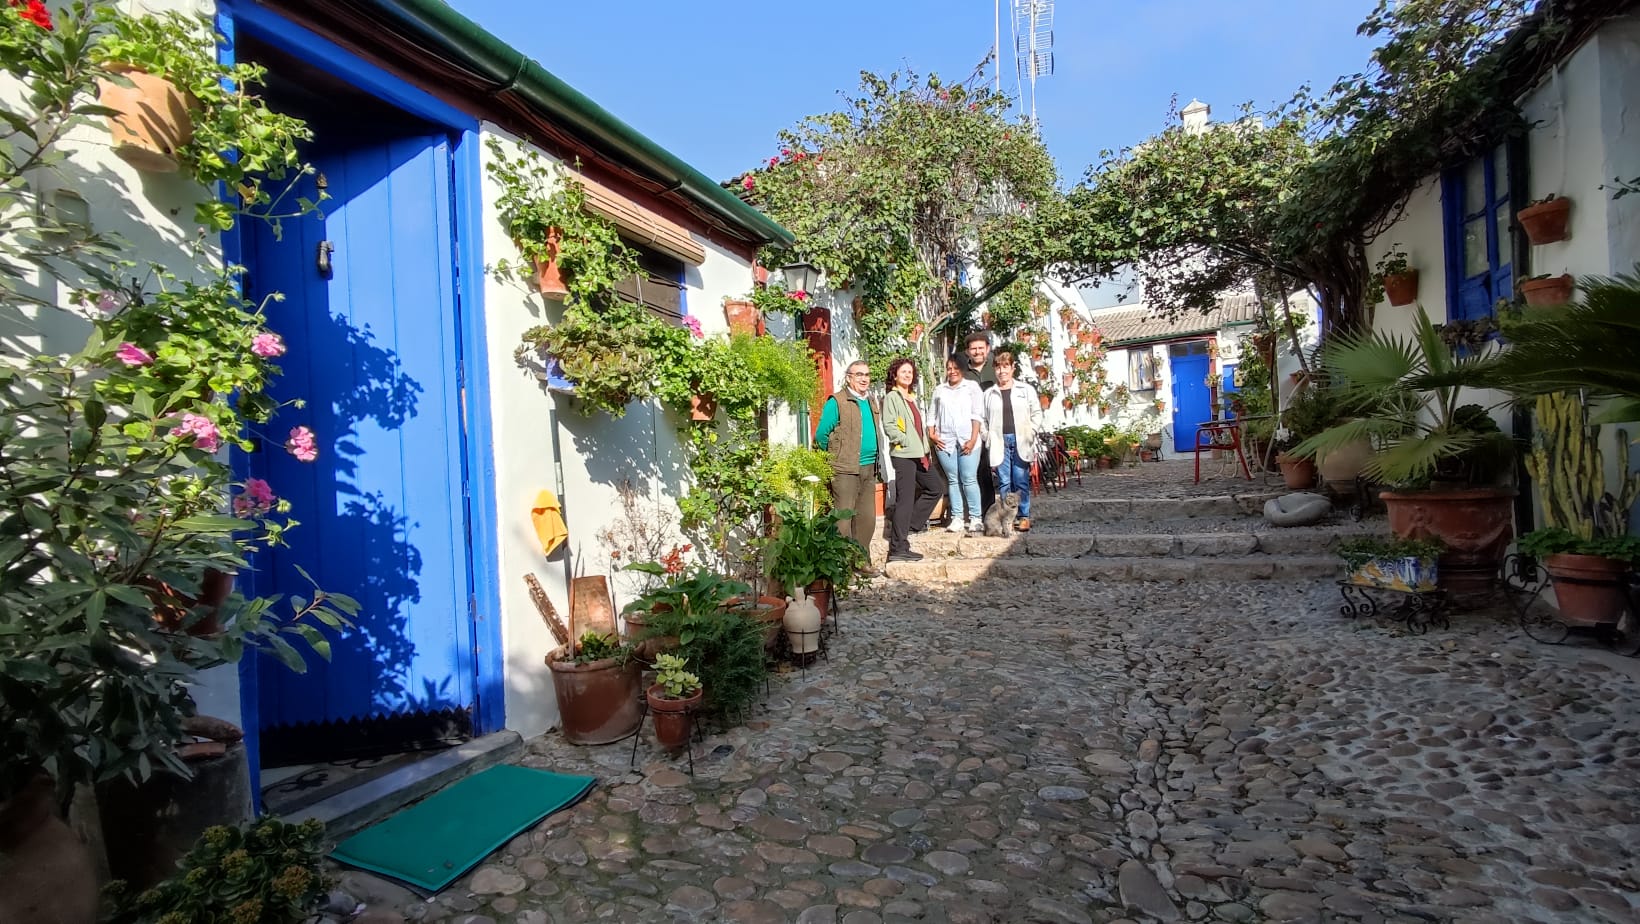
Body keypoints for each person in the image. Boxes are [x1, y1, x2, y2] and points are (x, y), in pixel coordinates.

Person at [814, 360, 885, 574]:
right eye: (859, 374)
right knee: (843, 520)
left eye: (867, 375)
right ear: (849, 377)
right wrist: (836, 456)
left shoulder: (871, 401)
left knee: (867, 519)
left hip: (868, 468)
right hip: (844, 469)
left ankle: (861, 561)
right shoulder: (837, 401)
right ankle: (842, 567)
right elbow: (821, 435)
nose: (864, 379)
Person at [880, 357, 946, 562]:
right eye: (903, 372)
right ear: (895, 374)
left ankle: (907, 525)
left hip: (918, 454)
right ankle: (898, 548)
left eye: (910, 372)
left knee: (935, 488)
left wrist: (924, 448)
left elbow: (917, 427)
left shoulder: (911, 397)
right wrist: (905, 441)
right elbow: (890, 425)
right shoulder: (893, 397)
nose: (907, 375)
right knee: (905, 500)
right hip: (903, 455)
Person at [983, 350, 1043, 532]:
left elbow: (1037, 413)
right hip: (1000, 441)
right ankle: (1007, 518)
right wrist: (988, 439)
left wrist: (1031, 431)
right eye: (999, 367)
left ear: (1012, 368)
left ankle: (1023, 516)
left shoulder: (1025, 390)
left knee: (1020, 479)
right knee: (1004, 481)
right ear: (995, 370)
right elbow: (983, 419)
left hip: (1021, 440)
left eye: (1006, 367)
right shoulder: (989, 393)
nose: (1002, 371)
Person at [929, 353, 986, 533]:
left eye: (955, 368)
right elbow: (932, 414)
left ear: (962, 369)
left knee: (968, 478)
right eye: (949, 368)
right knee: (953, 480)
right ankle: (957, 518)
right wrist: (932, 434)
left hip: (968, 440)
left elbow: (977, 414)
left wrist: (973, 438)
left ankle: (976, 517)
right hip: (945, 441)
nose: (952, 372)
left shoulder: (971, 387)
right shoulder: (940, 390)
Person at [960, 330, 998, 515]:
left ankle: (1013, 512)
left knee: (1005, 471)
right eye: (973, 349)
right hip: (973, 428)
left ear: (988, 349)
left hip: (997, 424)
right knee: (981, 470)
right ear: (967, 351)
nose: (977, 352)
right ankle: (985, 512)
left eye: (981, 348)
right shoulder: (961, 372)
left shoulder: (996, 368)